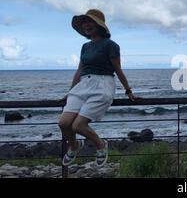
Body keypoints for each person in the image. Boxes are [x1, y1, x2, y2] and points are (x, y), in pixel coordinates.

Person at [58, 9, 137, 167]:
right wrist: (70, 92)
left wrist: (128, 90)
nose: (87, 25)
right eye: (84, 22)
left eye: (90, 21)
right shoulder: (85, 47)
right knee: (64, 123)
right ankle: (74, 146)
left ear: (100, 25)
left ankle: (101, 145)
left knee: (78, 125)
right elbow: (79, 70)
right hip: (82, 85)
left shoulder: (110, 45)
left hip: (102, 84)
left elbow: (118, 69)